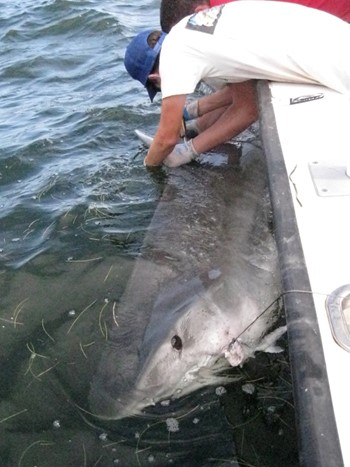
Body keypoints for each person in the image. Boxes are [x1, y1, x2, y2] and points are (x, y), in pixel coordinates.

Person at [124, 2, 350, 166]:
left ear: (155, 78)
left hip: (337, 63)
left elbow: (166, 138)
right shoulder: (198, 27)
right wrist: (188, 144)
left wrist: (150, 165)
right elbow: (247, 107)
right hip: (337, 35)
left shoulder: (173, 55)